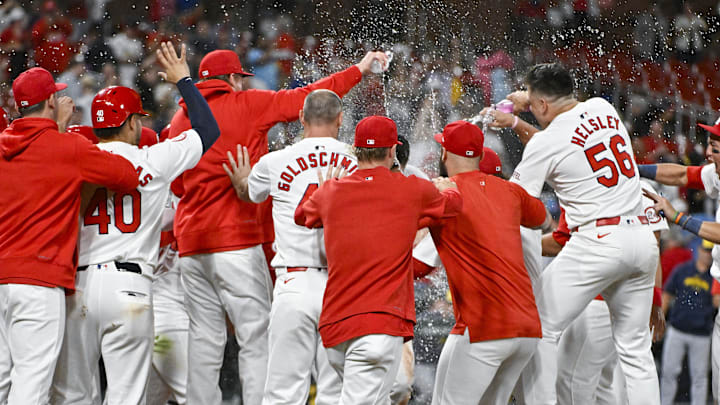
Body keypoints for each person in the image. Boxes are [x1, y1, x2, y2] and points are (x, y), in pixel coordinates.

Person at [167, 48, 388, 405]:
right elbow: (308, 99)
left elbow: (176, 185)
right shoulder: (248, 104)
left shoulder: (180, 119)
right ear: (234, 79)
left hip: (192, 245)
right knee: (256, 341)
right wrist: (359, 70)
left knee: (204, 340)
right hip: (238, 241)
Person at [50, 42, 220, 405]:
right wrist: (184, 81)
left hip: (76, 287)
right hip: (130, 286)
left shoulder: (72, 158)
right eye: (138, 118)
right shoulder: (154, 159)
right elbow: (208, 130)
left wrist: (59, 130)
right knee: (126, 397)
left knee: (74, 397)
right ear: (131, 122)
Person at [506, 63, 660, 404]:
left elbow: (513, 201)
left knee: (539, 325)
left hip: (598, 241)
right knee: (635, 352)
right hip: (642, 238)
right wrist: (530, 101)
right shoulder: (602, 107)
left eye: (533, 100)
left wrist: (523, 113)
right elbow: (568, 120)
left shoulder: (546, 141)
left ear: (542, 105)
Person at [294, 116, 463, 404]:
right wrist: (450, 187)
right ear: (391, 152)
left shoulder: (333, 191)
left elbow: (302, 215)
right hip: (379, 326)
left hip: (336, 328)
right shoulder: (409, 188)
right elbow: (454, 206)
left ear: (356, 151)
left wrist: (323, 189)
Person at [0, 67, 139, 404]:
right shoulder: (68, 148)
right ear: (51, 100)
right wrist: (62, 132)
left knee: (4, 379)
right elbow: (127, 175)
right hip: (38, 279)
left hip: (2, 277)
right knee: (31, 381)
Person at [223, 89, 352, 404]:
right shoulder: (356, 158)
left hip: (294, 281)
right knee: (337, 392)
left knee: (283, 392)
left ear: (301, 118)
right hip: (343, 285)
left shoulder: (275, 161)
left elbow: (249, 194)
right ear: (341, 119)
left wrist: (242, 180)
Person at [429, 121, 548, 404]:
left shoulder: (442, 194)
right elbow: (544, 219)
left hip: (486, 327)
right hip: (526, 329)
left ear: (444, 154)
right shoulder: (510, 191)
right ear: (481, 157)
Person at [543, 180, 667, 405]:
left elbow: (563, 241)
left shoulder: (583, 179)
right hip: (633, 292)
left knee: (571, 378)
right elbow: (653, 244)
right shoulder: (643, 185)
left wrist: (521, 245)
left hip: (597, 299)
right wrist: (655, 299)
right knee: (609, 380)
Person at [636, 117, 720, 402]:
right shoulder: (717, 173)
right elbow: (684, 175)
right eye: (710, 145)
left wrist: (678, 217)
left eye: (716, 148)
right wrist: (634, 169)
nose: (708, 153)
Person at [661, 240, 716, 405]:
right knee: (668, 372)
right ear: (699, 250)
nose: (707, 254)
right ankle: (665, 402)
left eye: (711, 252)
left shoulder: (715, 276)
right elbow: (667, 294)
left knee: (699, 376)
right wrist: (660, 320)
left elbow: (716, 302)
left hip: (702, 333)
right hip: (678, 329)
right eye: (705, 250)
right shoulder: (683, 270)